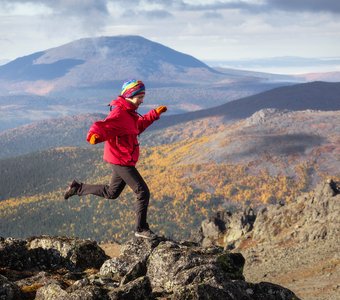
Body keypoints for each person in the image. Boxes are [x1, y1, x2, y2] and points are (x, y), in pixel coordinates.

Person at [64, 79, 167, 239]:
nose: (142, 100)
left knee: (111, 193)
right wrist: (93, 136)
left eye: (143, 96)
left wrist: (153, 115)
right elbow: (104, 126)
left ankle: (78, 188)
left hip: (122, 159)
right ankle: (141, 229)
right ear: (129, 95)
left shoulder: (130, 112)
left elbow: (136, 127)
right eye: (139, 96)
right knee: (143, 192)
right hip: (121, 160)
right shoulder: (119, 113)